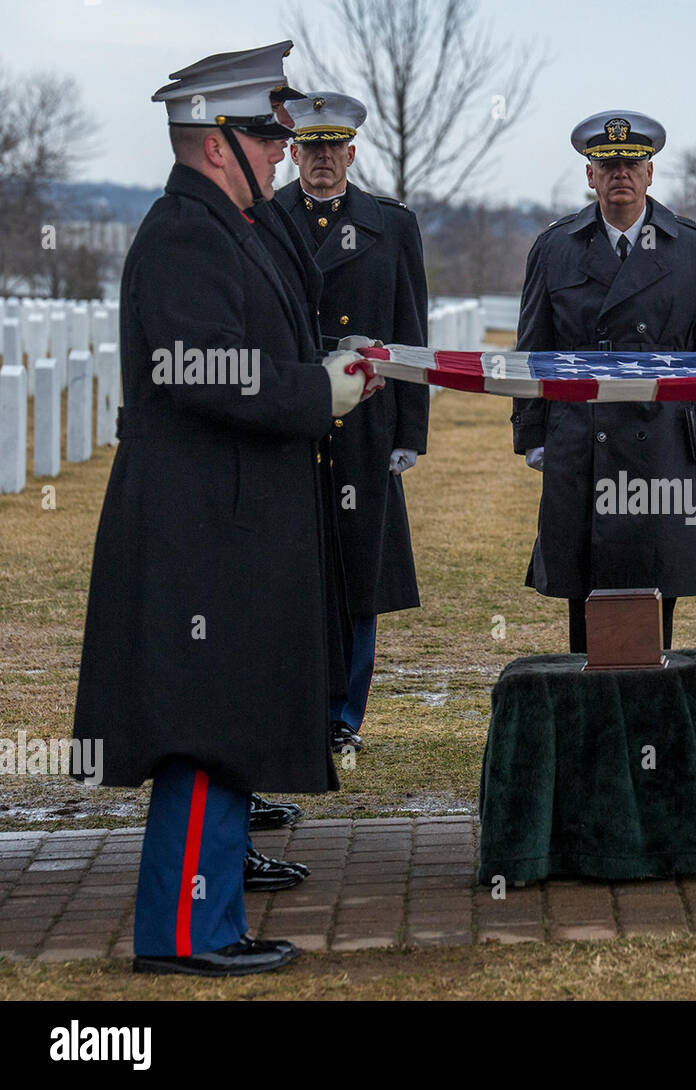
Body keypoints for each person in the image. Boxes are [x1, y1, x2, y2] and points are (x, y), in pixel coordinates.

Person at [72, 41, 383, 976]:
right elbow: (199, 369)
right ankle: (184, 934)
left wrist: (330, 370)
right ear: (217, 143)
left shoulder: (230, 224)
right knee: (204, 727)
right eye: (266, 135)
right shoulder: (184, 234)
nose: (285, 151)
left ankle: (205, 922)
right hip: (200, 528)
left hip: (231, 521)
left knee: (227, 719)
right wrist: (315, 392)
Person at [510, 111, 696, 651]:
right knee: (583, 581)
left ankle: (650, 696)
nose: (620, 173)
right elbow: (533, 347)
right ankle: (586, 701)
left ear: (651, 172)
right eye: (607, 163)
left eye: (631, 163)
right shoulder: (556, 246)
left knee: (655, 577)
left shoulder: (693, 248)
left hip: (661, 437)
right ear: (589, 175)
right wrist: (532, 429)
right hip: (578, 435)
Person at [276, 91, 430, 754]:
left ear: (352, 152)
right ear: (294, 153)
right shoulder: (265, 219)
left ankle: (343, 717)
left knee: (359, 573)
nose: (322, 160)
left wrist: (410, 432)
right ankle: (294, 708)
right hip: (292, 416)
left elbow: (410, 330)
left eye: (333, 148)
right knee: (289, 573)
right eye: (311, 148)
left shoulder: (391, 225)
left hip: (366, 423)